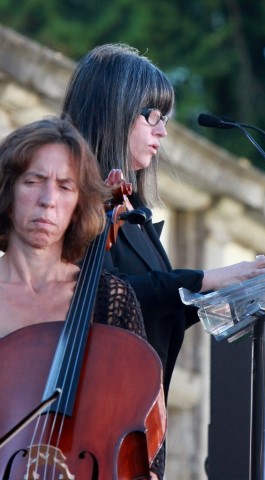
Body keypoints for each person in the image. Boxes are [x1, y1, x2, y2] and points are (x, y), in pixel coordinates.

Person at [61, 43, 265, 476]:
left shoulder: (134, 215)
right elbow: (98, 295)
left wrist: (233, 289)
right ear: (114, 108)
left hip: (134, 430)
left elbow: (153, 308)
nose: (162, 131)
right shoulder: (72, 203)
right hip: (89, 426)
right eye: (152, 115)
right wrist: (203, 278)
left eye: (165, 119)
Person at [0, 116, 162, 479]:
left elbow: (146, 449)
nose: (48, 201)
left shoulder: (111, 299)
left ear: (78, 204)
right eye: (34, 181)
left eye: (65, 187)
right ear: (8, 192)